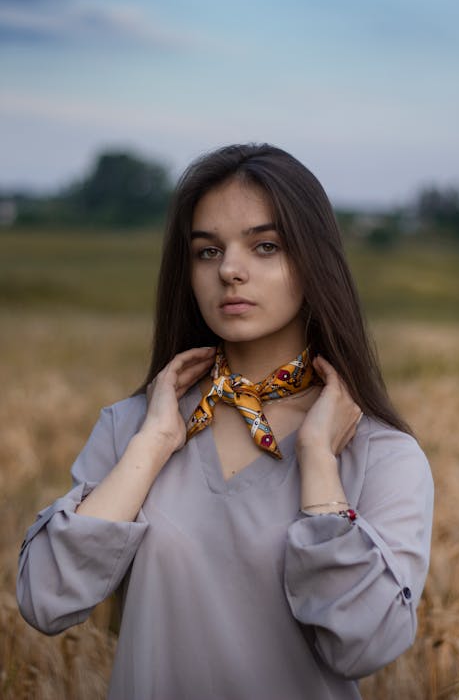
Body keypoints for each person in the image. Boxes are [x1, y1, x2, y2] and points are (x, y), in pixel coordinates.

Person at [17, 143, 434, 700]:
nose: (231, 271)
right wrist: (155, 444)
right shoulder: (131, 428)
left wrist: (318, 465)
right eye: (207, 252)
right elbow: (45, 600)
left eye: (265, 246)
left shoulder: (384, 455)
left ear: (316, 262)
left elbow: (365, 646)